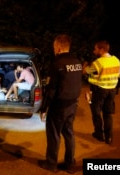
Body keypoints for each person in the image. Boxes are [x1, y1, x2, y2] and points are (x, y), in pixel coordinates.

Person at [38, 34, 82, 173]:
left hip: (58, 106)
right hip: (72, 104)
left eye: (54, 47)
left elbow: (51, 90)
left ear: (58, 47)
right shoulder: (77, 62)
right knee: (69, 133)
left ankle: (51, 164)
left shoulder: (57, 64)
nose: (53, 49)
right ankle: (70, 164)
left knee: (54, 134)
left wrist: (43, 108)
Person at [83, 40, 120, 145]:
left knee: (96, 112)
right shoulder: (116, 60)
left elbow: (86, 71)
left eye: (95, 48)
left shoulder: (98, 63)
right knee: (108, 113)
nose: (94, 50)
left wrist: (85, 65)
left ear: (101, 50)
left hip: (99, 90)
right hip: (112, 90)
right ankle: (109, 137)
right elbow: (119, 74)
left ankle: (99, 134)